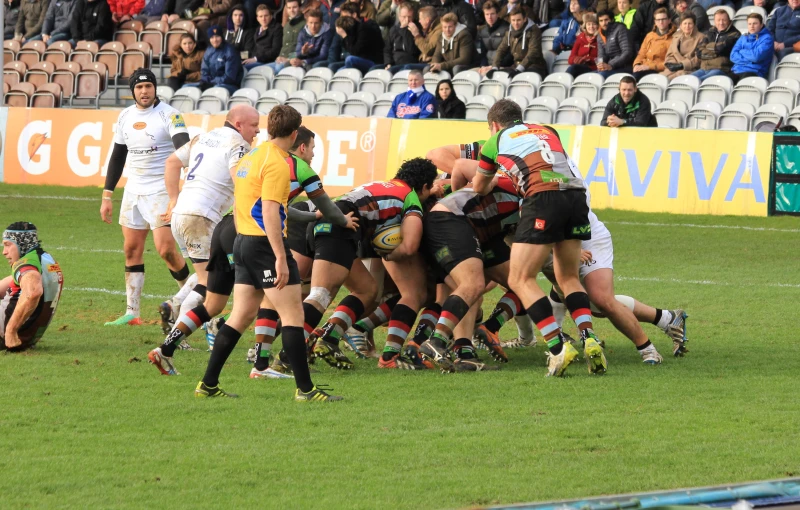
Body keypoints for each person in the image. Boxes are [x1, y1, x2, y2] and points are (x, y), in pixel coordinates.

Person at [149, 125, 356, 375]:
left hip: (225, 228)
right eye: (312, 148)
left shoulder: (256, 157)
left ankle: (166, 349)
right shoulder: (300, 168)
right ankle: (261, 365)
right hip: (252, 233)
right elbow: (324, 207)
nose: (313, 154)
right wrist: (343, 220)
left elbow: (276, 207)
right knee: (269, 298)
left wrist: (309, 216)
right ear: (301, 146)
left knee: (214, 303)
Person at [194, 106, 342, 403]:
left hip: (243, 241)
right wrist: (278, 256)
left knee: (241, 315)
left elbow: (240, 201)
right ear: (294, 133)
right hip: (264, 245)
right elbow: (273, 212)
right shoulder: (277, 163)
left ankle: (208, 384)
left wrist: (243, 240)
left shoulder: (252, 156)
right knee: (292, 315)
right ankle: (305, 390)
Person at [471, 99, 606, 378]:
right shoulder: (546, 129)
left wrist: (495, 179)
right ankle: (589, 338)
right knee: (568, 277)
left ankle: (557, 348)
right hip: (576, 194)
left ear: (494, 125)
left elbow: (479, 186)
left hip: (543, 198)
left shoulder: (494, 140)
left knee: (520, 279)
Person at [306, 160, 436, 371]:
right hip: (340, 226)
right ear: (424, 187)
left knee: (367, 291)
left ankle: (328, 337)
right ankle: (289, 355)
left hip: (329, 222)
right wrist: (392, 254)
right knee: (321, 295)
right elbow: (410, 245)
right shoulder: (410, 197)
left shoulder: (381, 185)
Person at [152, 105, 261, 339]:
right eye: (254, 125)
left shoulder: (203, 138)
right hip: (202, 217)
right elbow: (239, 180)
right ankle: (177, 332)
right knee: (210, 281)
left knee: (210, 271)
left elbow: (172, 162)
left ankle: (176, 304)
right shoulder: (238, 144)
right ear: (239, 124)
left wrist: (173, 199)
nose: (257, 131)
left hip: (182, 214)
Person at [100, 69, 192, 327]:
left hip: (162, 191)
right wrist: (107, 195)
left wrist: (180, 191)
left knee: (166, 250)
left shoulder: (170, 114)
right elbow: (118, 156)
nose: (144, 91)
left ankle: (191, 304)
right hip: (134, 192)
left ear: (154, 89)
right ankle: (132, 312)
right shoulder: (125, 116)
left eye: (149, 86)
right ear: (133, 91)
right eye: (139, 88)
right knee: (131, 250)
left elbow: (183, 148)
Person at [1, 223, 63, 352]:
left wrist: (11, 331)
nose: (4, 252)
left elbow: (33, 292)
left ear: (22, 243)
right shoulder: (46, 260)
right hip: (29, 335)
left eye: (8, 245)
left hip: (7, 334)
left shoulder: (26, 265)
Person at [479, 7, 546, 78]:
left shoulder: (534, 31)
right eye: (513, 20)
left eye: (518, 20)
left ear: (525, 19)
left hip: (535, 66)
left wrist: (520, 69)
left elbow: (533, 52)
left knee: (523, 77)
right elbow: (501, 50)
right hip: (516, 66)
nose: (515, 23)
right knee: (499, 76)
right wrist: (495, 67)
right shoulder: (509, 31)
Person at [692, 9, 740, 81]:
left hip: (722, 69)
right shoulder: (710, 32)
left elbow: (722, 48)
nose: (721, 23)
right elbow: (698, 51)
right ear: (714, 21)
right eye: (718, 20)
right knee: (688, 80)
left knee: (700, 81)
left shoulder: (734, 34)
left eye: (724, 20)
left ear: (729, 20)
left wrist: (707, 47)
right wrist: (715, 52)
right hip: (704, 68)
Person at [631, 7, 674, 80]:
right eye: (658, 20)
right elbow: (641, 54)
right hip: (643, 67)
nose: (661, 22)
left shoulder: (674, 38)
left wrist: (649, 67)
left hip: (659, 70)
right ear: (655, 22)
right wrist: (636, 64)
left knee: (636, 78)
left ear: (669, 20)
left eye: (663, 19)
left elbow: (670, 62)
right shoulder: (649, 35)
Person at [199, 25, 244, 94]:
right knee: (188, 87)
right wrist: (206, 81)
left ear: (222, 37)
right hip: (213, 83)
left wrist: (212, 82)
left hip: (230, 86)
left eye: (217, 36)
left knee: (216, 89)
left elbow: (230, 77)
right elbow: (204, 71)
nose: (215, 40)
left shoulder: (230, 51)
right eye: (212, 37)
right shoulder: (209, 50)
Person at [730, 13, 774, 81]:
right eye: (749, 24)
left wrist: (741, 51)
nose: (752, 26)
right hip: (737, 70)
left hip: (755, 72)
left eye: (755, 23)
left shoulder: (767, 39)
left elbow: (756, 57)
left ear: (761, 25)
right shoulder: (743, 37)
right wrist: (750, 60)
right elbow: (732, 56)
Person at [382, 2, 422, 73]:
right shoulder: (393, 29)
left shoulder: (416, 28)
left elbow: (411, 50)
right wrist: (388, 63)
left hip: (408, 62)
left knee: (391, 71)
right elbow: (387, 49)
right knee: (374, 69)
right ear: (399, 17)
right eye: (404, 17)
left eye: (409, 17)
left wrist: (404, 30)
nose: (407, 20)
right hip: (393, 62)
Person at [662, 12, 702, 79]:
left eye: (690, 23)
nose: (687, 26)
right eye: (685, 23)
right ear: (680, 26)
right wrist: (673, 64)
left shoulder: (701, 37)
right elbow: (670, 55)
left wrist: (682, 65)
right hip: (674, 69)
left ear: (694, 25)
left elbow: (698, 59)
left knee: (677, 78)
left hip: (690, 70)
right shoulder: (676, 37)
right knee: (660, 78)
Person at [269, 0, 307, 72]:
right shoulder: (286, 25)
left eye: (294, 7)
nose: (291, 10)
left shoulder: (305, 24)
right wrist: (280, 56)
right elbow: (285, 46)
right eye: (289, 8)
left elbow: (303, 49)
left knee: (277, 69)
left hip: (294, 61)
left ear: (300, 8)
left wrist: (288, 59)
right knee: (263, 70)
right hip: (281, 60)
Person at [596, 9, 634, 78]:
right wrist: (600, 64)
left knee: (601, 76)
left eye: (606, 20)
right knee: (593, 76)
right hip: (610, 67)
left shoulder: (620, 29)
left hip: (625, 67)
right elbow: (601, 55)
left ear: (612, 19)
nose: (604, 23)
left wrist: (611, 65)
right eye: (601, 21)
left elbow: (627, 53)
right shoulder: (600, 35)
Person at [243, 5, 283, 69]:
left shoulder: (277, 28)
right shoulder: (257, 29)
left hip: (267, 61)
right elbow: (252, 49)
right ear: (257, 18)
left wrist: (256, 59)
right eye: (261, 16)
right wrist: (241, 57)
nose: (263, 19)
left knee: (243, 68)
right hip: (256, 59)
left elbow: (275, 51)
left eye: (266, 16)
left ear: (271, 16)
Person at [477, 1, 510, 67]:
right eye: (487, 14)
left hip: (502, 66)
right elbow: (482, 54)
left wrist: (494, 66)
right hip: (487, 67)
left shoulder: (507, 28)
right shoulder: (482, 31)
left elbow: (509, 55)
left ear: (497, 14)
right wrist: (483, 66)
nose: (489, 17)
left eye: (492, 14)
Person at [566, 12, 600, 77]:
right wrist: (577, 60)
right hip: (579, 67)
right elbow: (570, 59)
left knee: (574, 69)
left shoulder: (601, 39)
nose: (591, 27)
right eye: (589, 24)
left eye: (594, 24)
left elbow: (602, 59)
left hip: (594, 69)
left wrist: (588, 59)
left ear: (598, 25)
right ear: (585, 26)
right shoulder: (580, 39)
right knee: (573, 68)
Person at [409, 6, 442, 70]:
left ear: (427, 20)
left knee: (407, 68)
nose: (419, 21)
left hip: (431, 64)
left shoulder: (439, 30)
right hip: (423, 62)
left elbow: (428, 50)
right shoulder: (430, 29)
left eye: (420, 19)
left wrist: (417, 35)